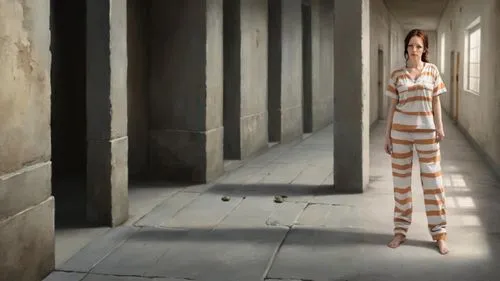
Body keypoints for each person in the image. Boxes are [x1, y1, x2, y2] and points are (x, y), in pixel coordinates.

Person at [384, 29, 449, 255]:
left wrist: (439, 127)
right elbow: (392, 107)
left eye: (419, 46)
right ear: (406, 48)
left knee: (434, 184)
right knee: (401, 184)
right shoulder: (396, 75)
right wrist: (387, 135)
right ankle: (400, 231)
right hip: (400, 133)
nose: (414, 50)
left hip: (427, 132)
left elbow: (436, 101)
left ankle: (439, 233)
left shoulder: (432, 71)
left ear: (425, 49)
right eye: (411, 45)